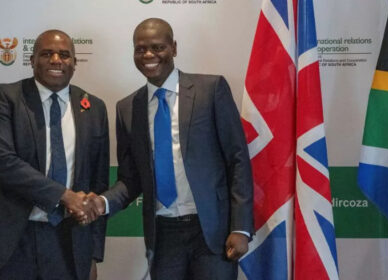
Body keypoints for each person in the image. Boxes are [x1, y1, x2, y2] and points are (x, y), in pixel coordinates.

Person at [86, 18, 254, 279]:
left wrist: (241, 227)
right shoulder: (127, 107)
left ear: (174, 48)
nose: (149, 55)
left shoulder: (210, 90)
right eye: (140, 49)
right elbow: (131, 179)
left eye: (158, 47)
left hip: (212, 230)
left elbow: (238, 159)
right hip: (163, 235)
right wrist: (102, 202)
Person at [0, 30, 109, 280]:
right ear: (32, 60)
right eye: (47, 54)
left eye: (64, 54)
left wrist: (92, 254)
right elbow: (4, 162)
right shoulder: (7, 98)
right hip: (14, 241)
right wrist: (64, 196)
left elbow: (99, 183)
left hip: (69, 243)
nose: (56, 60)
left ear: (74, 63)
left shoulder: (94, 107)